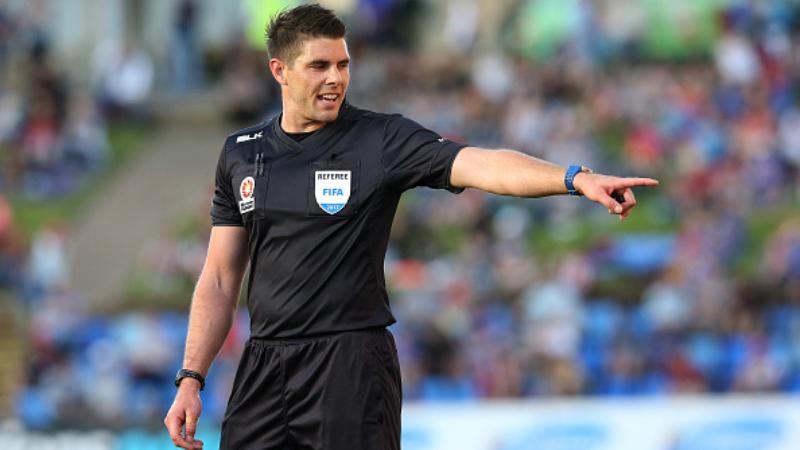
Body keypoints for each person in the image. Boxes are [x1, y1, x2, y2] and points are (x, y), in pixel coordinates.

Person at [163, 4, 659, 450]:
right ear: (280, 71)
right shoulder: (242, 153)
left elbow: (481, 163)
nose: (335, 78)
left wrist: (573, 178)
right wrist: (191, 379)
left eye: (343, 64)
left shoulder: (380, 139)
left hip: (349, 363)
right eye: (319, 66)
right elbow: (221, 277)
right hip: (264, 367)